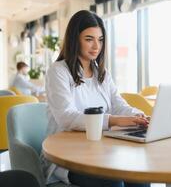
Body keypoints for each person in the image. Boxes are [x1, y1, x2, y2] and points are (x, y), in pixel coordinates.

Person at [40, 10, 150, 187]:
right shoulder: (58, 71)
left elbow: (118, 104)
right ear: (75, 39)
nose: (96, 46)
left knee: (140, 178)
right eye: (89, 39)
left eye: (100, 40)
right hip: (69, 156)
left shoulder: (102, 72)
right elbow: (67, 117)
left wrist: (138, 116)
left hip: (101, 151)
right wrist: (114, 120)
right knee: (114, 183)